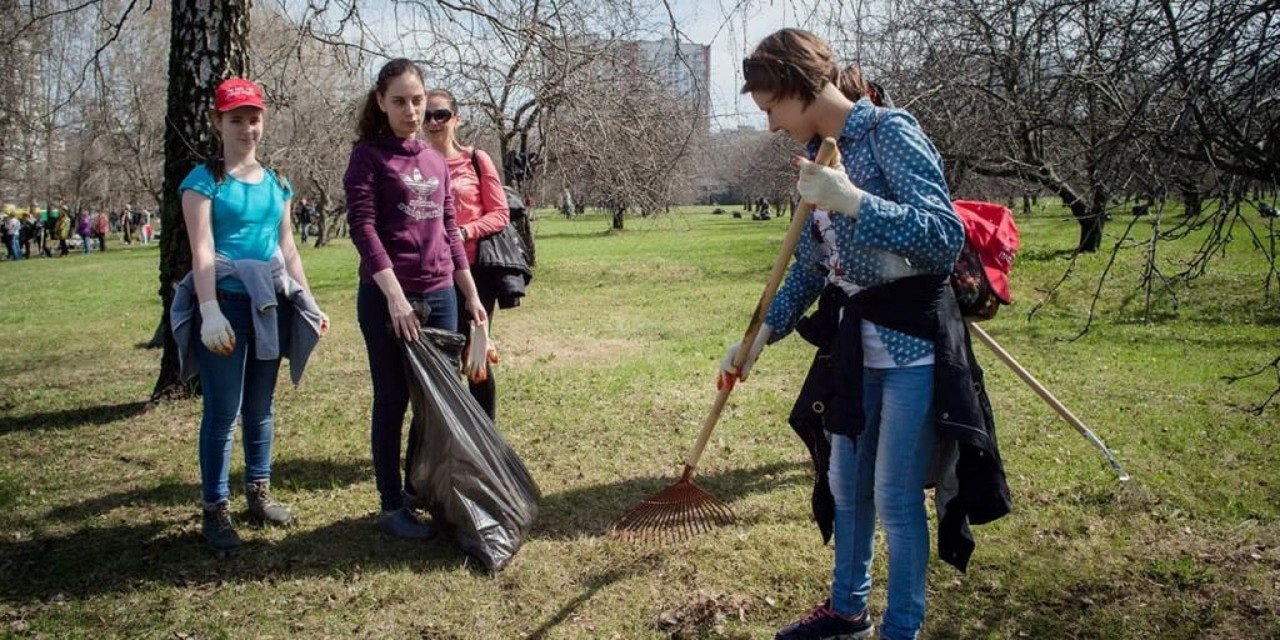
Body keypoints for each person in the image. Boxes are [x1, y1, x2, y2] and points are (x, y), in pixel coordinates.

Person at [721, 28, 1006, 640]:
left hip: (911, 345)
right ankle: (846, 611)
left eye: (771, 107)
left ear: (799, 88)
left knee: (897, 497)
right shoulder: (822, 152)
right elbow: (812, 263)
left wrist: (854, 201)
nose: (770, 124)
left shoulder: (889, 132)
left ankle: (900, 628)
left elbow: (942, 235)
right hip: (853, 349)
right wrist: (760, 334)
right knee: (847, 485)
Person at [172, 76, 329, 552]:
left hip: (269, 305)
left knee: (261, 407)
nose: (247, 129)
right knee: (224, 411)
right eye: (236, 119)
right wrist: (210, 310)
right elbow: (202, 252)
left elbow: (288, 248)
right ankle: (214, 510)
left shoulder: (278, 183)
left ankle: (258, 494)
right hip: (225, 305)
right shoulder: (203, 183)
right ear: (217, 122)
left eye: (254, 119)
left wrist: (307, 298)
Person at [344, 58, 487, 540]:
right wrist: (394, 298)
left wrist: (469, 295)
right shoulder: (368, 157)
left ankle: (417, 487)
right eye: (400, 101)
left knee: (437, 402)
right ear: (381, 102)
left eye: (418, 101)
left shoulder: (433, 159)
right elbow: (363, 228)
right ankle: (390, 504)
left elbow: (448, 228)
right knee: (393, 398)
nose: (410, 110)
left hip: (441, 293)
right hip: (389, 299)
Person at [422, 87, 510, 420]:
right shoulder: (415, 163)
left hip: (474, 273)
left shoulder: (475, 159)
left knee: (476, 355)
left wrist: (464, 231)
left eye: (441, 114)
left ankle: (485, 437)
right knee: (439, 358)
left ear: (456, 119)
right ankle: (448, 437)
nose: (433, 121)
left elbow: (500, 213)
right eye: (427, 115)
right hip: (431, 276)